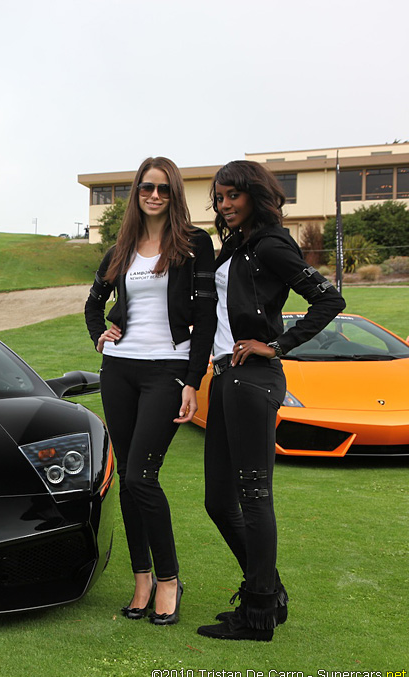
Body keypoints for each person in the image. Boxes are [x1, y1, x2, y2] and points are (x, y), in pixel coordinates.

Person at [197, 160, 345, 641]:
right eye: (219, 198)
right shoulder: (235, 246)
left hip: (252, 378)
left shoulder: (270, 244)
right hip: (224, 377)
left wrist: (276, 345)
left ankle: (260, 613)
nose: (224, 205)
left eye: (233, 196)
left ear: (254, 195)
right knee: (219, 500)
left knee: (253, 497)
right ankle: (268, 591)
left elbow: (329, 299)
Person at [85, 157, 216, 626]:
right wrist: (99, 332)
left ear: (174, 192)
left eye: (162, 188)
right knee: (129, 480)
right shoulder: (122, 247)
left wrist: (192, 381)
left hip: (168, 372)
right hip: (119, 371)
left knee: (142, 476)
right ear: (137, 192)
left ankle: (168, 579)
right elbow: (93, 301)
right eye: (146, 187)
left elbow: (206, 320)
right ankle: (141, 579)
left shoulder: (195, 244)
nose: (154, 195)